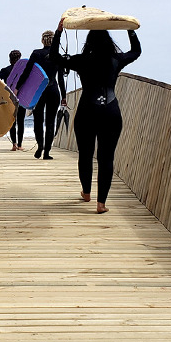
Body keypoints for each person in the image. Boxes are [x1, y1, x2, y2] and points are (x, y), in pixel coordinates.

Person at [49, 18, 141, 214]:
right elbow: (136, 52)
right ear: (108, 40)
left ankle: (86, 193)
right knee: (106, 158)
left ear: (89, 41)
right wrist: (130, 30)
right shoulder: (116, 59)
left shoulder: (81, 60)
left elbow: (55, 57)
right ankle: (101, 204)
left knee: (85, 154)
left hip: (87, 111)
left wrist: (58, 32)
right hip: (111, 111)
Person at [16, 30, 67, 159]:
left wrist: (17, 88)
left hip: (39, 92)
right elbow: (60, 78)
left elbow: (27, 72)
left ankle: (40, 146)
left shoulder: (36, 54)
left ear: (43, 40)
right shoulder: (58, 56)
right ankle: (47, 153)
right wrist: (64, 96)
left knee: (38, 121)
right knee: (50, 122)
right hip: (53, 90)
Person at [0, 50, 27, 151]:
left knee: (12, 123)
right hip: (21, 99)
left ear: (10, 58)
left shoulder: (5, 70)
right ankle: (20, 145)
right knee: (21, 122)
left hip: (10, 99)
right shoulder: (24, 71)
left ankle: (14, 144)